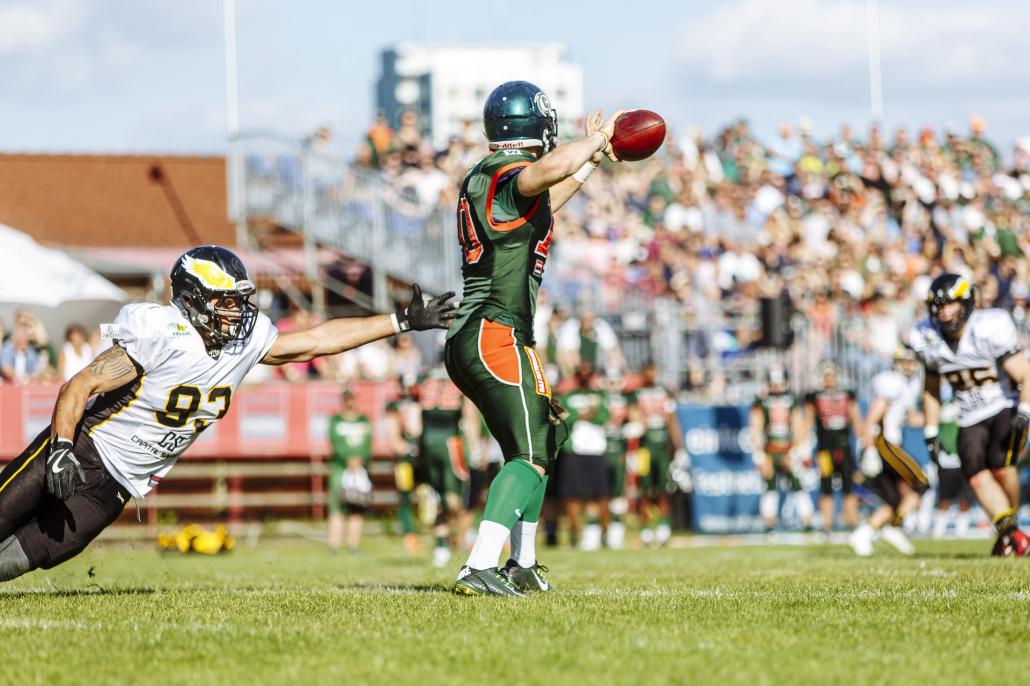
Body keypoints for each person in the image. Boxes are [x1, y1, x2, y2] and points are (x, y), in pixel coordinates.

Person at [0, 245, 456, 582]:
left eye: (240, 300)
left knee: (30, 555)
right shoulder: (161, 330)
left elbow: (318, 341)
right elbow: (80, 384)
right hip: (83, 449)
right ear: (192, 299)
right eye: (226, 301)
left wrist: (400, 321)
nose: (237, 311)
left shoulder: (246, 342)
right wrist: (61, 448)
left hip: (119, 487)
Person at [444, 80, 622, 596]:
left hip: (495, 332)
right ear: (535, 123)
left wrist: (591, 162)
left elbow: (547, 196)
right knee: (528, 454)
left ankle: (522, 561)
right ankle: (479, 565)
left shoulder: (503, 185)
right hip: (492, 330)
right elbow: (543, 174)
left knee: (547, 435)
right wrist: (594, 141)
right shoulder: (502, 172)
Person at [909, 273, 1030, 556]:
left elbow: (1023, 372)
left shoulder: (989, 326)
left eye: (951, 304)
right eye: (939, 306)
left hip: (1003, 404)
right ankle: (1011, 533)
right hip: (968, 413)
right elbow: (931, 389)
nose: (944, 312)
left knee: (1001, 467)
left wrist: (1024, 411)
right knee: (975, 474)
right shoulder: (926, 337)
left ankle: (1009, 532)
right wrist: (930, 431)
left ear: (967, 303)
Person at [849, 347, 929, 556]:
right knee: (921, 482)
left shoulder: (908, 384)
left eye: (911, 361)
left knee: (894, 501)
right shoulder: (891, 382)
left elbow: (912, 419)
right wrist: (869, 449)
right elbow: (872, 417)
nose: (908, 365)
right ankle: (893, 527)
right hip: (882, 442)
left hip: (889, 443)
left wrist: (944, 416)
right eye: (904, 361)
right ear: (896, 363)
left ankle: (863, 534)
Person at [417, 364, 474, 568]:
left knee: (440, 499)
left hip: (428, 441)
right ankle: (447, 542)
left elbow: (414, 416)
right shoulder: (459, 375)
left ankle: (446, 543)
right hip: (451, 443)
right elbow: (469, 414)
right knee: (450, 500)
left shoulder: (425, 376)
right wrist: (474, 445)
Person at [750, 365, 813, 532]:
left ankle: (807, 523)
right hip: (769, 449)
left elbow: (800, 427)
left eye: (779, 382)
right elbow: (755, 429)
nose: (776, 386)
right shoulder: (761, 401)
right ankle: (769, 526)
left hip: (788, 448)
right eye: (773, 382)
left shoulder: (792, 400)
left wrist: (794, 453)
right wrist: (760, 456)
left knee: (798, 485)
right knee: (769, 486)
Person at [803, 361, 862, 535]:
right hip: (824, 449)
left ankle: (852, 523)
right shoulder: (814, 395)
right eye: (826, 375)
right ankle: (827, 525)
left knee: (848, 486)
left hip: (844, 447)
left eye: (832, 375)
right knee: (826, 486)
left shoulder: (847, 394)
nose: (829, 379)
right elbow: (807, 420)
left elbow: (856, 418)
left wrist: (865, 443)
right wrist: (803, 447)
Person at [629, 362, 685, 546]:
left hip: (661, 447)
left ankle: (663, 526)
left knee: (663, 488)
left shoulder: (664, 392)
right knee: (644, 489)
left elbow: (671, 420)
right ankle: (645, 528)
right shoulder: (637, 394)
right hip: (645, 447)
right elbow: (634, 417)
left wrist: (679, 446)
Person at [557, 362, 610, 551]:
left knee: (601, 495)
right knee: (573, 495)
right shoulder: (570, 397)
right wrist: (585, 414)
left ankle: (605, 533)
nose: (585, 377)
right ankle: (573, 532)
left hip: (596, 451)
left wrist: (585, 415)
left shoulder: (600, 396)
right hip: (576, 452)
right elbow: (565, 417)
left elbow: (603, 417)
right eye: (582, 373)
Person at [327, 388, 373, 554]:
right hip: (340, 468)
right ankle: (334, 545)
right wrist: (348, 458)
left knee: (357, 506)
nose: (350, 402)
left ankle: (353, 545)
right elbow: (334, 442)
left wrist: (360, 460)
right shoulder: (336, 420)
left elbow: (368, 444)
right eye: (347, 399)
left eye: (352, 398)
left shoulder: (364, 420)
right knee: (337, 506)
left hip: (360, 470)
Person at [384, 379, 422, 554]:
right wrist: (403, 447)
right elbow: (393, 435)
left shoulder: (419, 402)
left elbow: (418, 429)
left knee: (427, 493)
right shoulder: (393, 406)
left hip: (420, 455)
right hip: (404, 458)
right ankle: (409, 534)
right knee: (405, 495)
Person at [932, 393, 972, 539]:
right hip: (948, 459)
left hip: (965, 459)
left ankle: (962, 531)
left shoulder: (971, 405)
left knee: (965, 497)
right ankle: (939, 530)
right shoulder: (947, 406)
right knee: (945, 496)